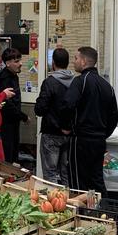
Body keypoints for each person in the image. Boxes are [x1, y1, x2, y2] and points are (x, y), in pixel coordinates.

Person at [62, 47, 118, 193]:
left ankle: (79, 213)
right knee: (97, 180)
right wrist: (102, 134)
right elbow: (114, 117)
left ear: (84, 61)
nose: (74, 62)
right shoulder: (107, 86)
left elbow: (68, 105)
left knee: (78, 182)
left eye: (76, 58)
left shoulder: (80, 81)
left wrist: (66, 126)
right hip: (99, 141)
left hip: (80, 141)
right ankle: (102, 213)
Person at [34, 48, 74, 185]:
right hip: (70, 134)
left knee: (50, 173)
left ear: (53, 63)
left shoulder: (50, 82)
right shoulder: (76, 82)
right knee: (66, 172)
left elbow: (40, 109)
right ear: (68, 63)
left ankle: (54, 204)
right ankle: (68, 202)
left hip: (51, 133)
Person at [0, 48, 27, 163]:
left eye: (20, 60)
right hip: (5, 124)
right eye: (17, 61)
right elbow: (7, 104)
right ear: (8, 63)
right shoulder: (4, 78)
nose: (20, 64)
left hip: (13, 123)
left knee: (13, 154)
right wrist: (23, 116)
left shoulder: (14, 76)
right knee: (7, 156)